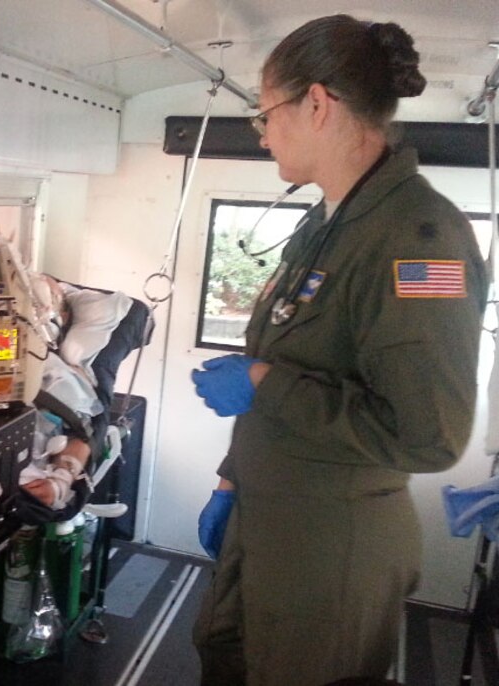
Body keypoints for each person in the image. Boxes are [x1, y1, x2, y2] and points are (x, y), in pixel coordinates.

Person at [189, 15, 487, 686]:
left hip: (332, 553)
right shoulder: (327, 224)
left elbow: (429, 437)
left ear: (317, 103)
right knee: (222, 655)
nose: (261, 133)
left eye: (266, 113)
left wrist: (265, 380)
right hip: (268, 520)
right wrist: (233, 478)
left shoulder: (418, 238)